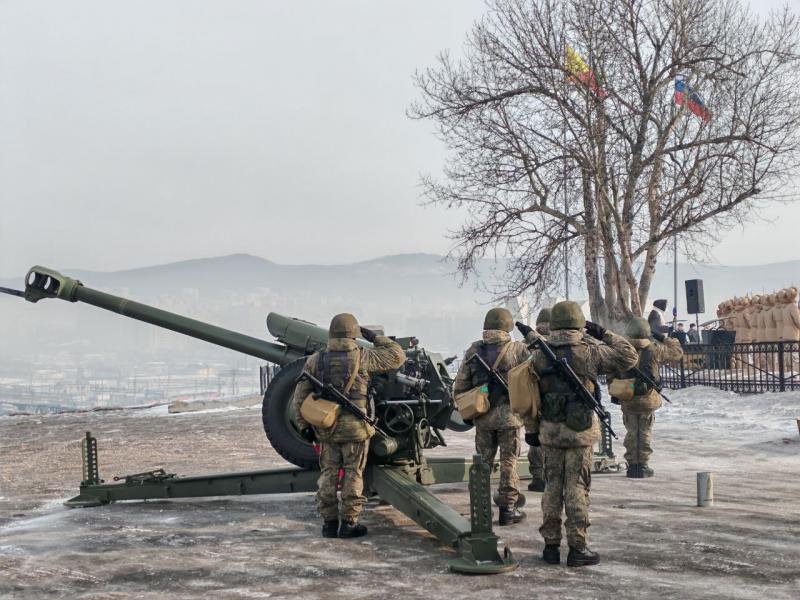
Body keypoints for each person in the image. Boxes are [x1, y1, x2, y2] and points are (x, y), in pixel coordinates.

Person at [523, 301, 637, 567]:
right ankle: (577, 547)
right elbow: (629, 356)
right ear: (579, 323)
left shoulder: (538, 355)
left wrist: (531, 429)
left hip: (550, 431)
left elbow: (529, 396)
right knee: (577, 487)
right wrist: (603, 333)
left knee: (552, 487)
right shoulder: (591, 352)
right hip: (580, 432)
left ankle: (551, 547)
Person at [293, 313, 405, 538]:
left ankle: (329, 523)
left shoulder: (316, 360)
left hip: (327, 426)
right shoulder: (364, 357)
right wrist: (376, 338)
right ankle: (349, 523)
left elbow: (300, 396)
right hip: (356, 429)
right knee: (354, 474)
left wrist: (303, 425)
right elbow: (397, 355)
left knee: (328, 474)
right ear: (353, 334)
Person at [454, 307, 538, 526]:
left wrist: (468, 409)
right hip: (510, 417)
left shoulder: (474, 350)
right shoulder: (518, 350)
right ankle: (508, 509)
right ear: (508, 327)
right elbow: (542, 359)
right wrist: (531, 334)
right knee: (509, 461)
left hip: (482, 416)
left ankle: (480, 509)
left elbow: (460, 385)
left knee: (482, 463)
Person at [611, 317, 683, 478]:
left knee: (631, 432)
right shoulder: (655, 349)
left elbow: (611, 371)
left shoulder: (622, 350)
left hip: (628, 396)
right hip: (648, 398)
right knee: (645, 432)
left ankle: (632, 466)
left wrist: (615, 390)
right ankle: (642, 466)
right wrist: (662, 337)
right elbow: (677, 351)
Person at [527, 307, 551, 492]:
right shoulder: (558, 344)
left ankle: (537, 478)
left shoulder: (525, 345)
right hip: (554, 401)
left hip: (532, 401)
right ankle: (552, 477)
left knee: (535, 440)